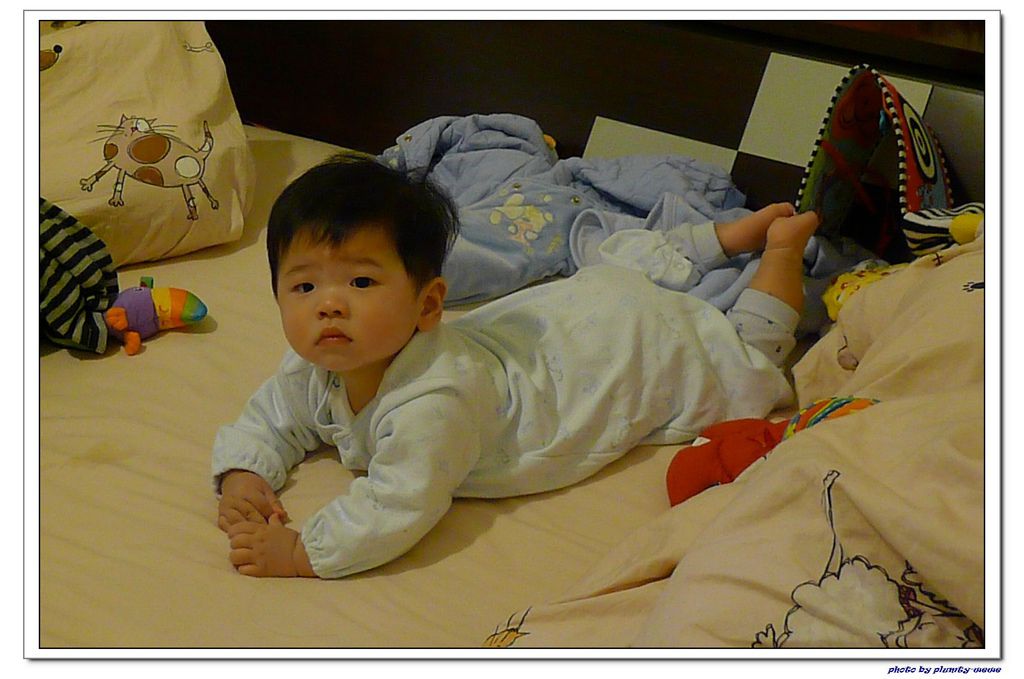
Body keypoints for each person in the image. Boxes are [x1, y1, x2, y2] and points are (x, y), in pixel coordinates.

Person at [212, 154, 820, 579]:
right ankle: (725, 238)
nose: (328, 304)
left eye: (361, 282)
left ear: (428, 305)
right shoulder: (318, 364)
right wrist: (245, 469)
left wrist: (303, 552)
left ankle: (780, 251)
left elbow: (397, 504)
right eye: (303, 286)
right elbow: (275, 412)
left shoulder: (434, 403)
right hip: (584, 310)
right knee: (623, 274)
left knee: (742, 362)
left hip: (625, 349)